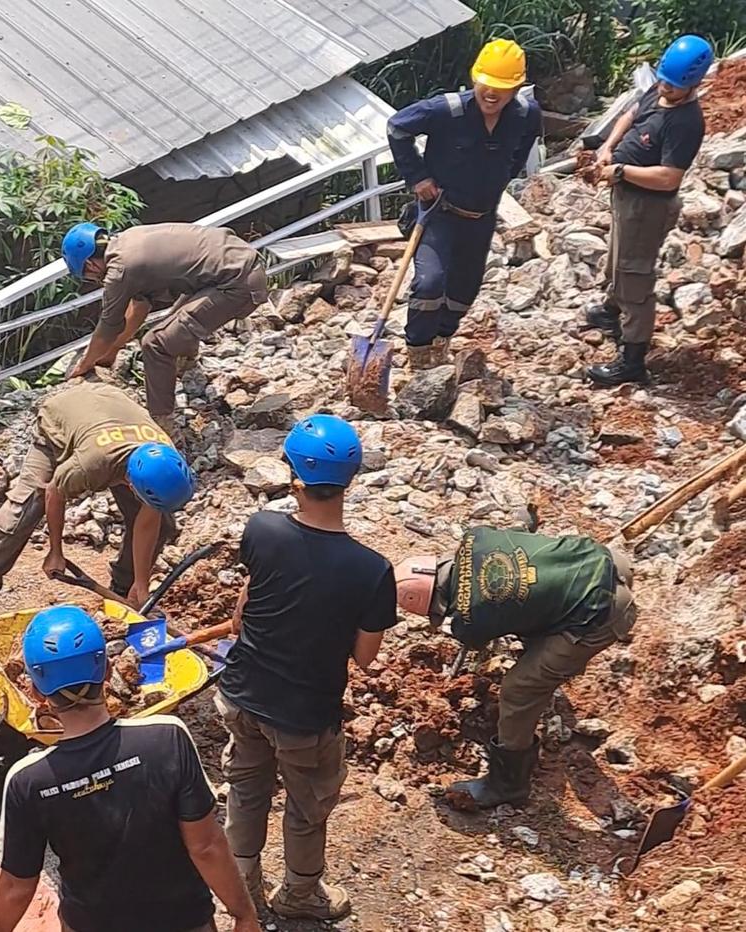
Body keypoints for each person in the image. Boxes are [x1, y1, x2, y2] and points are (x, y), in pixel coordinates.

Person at [215, 414, 396, 921]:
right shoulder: (372, 570)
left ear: (295, 478)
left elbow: (241, 613)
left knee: (247, 788)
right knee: (307, 806)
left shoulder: (262, 529)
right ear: (350, 480)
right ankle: (300, 895)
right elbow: (365, 657)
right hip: (305, 715)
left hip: (242, 694)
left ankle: (242, 881)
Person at [0, 605, 261, 932]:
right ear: (106, 671)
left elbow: (17, 887)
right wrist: (243, 914)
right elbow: (206, 846)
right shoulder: (166, 737)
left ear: (35, 692)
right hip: (182, 921)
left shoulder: (28, 780)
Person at [394, 527, 636, 808]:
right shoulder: (476, 538)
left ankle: (507, 785)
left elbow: (475, 640)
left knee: (519, 689)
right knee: (530, 611)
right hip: (608, 561)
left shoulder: (469, 619)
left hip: (604, 612)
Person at [0, 381, 196, 624]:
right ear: (131, 484)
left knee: (163, 525)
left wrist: (141, 585)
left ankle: (123, 592)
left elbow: (148, 521)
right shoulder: (92, 465)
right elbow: (54, 492)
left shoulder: (164, 459)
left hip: (109, 406)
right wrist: (55, 552)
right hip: (61, 419)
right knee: (23, 512)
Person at [387, 39, 543, 368]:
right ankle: (418, 353)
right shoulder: (447, 111)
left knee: (464, 290)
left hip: (481, 217)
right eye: (486, 85)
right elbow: (397, 127)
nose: (491, 94)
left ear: (516, 87)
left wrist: (502, 177)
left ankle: (442, 341)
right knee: (430, 283)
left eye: (501, 88)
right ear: (475, 79)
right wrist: (418, 177)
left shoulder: (525, 114)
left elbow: (523, 147)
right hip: (439, 213)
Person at [583, 35, 711, 386]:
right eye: (664, 80)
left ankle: (632, 358)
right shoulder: (659, 90)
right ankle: (612, 312)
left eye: (674, 85)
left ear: (694, 84)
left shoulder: (687, 122)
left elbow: (669, 178)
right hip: (624, 196)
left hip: (648, 206)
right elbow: (631, 114)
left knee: (633, 275)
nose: (665, 88)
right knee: (615, 259)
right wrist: (608, 147)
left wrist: (621, 172)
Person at [62, 222, 267, 429]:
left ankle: (161, 421)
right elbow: (139, 307)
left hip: (238, 285)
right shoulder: (128, 240)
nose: (94, 279)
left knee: (155, 343)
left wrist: (85, 364)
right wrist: (114, 349)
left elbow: (108, 327)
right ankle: (186, 364)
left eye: (88, 276)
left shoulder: (120, 270)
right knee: (174, 322)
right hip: (238, 264)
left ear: (90, 265)